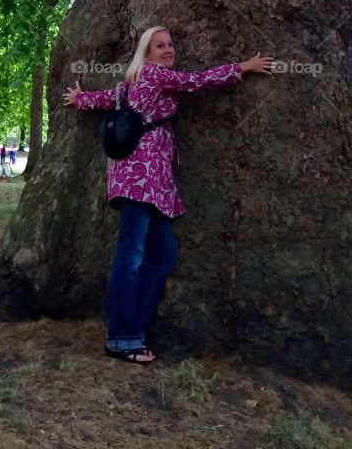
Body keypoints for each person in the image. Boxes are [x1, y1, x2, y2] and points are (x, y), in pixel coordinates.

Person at [65, 26, 274, 365]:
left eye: (170, 45)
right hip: (140, 177)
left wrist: (79, 99)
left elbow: (105, 99)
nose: (168, 50)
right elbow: (198, 81)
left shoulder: (132, 81)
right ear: (147, 54)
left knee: (163, 253)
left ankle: (136, 328)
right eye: (159, 46)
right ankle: (121, 338)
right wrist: (243, 67)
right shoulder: (155, 74)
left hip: (150, 180)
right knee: (130, 255)